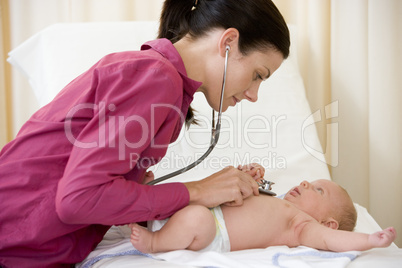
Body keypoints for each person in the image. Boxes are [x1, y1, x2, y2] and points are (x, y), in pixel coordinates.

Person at [0, 0, 290, 267]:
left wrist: (142, 192)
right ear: (228, 43)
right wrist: (198, 191)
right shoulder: (155, 77)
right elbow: (78, 199)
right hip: (13, 243)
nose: (254, 95)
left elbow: (90, 190)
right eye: (258, 75)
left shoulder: (163, 83)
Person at [130, 167, 397, 253]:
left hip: (212, 231)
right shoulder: (276, 198)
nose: (305, 183)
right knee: (185, 197)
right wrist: (248, 175)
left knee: (196, 218)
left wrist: (369, 240)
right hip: (208, 205)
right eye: (311, 183)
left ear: (327, 223)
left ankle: (155, 241)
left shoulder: (302, 226)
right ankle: (142, 204)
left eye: (318, 190)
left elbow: (334, 241)